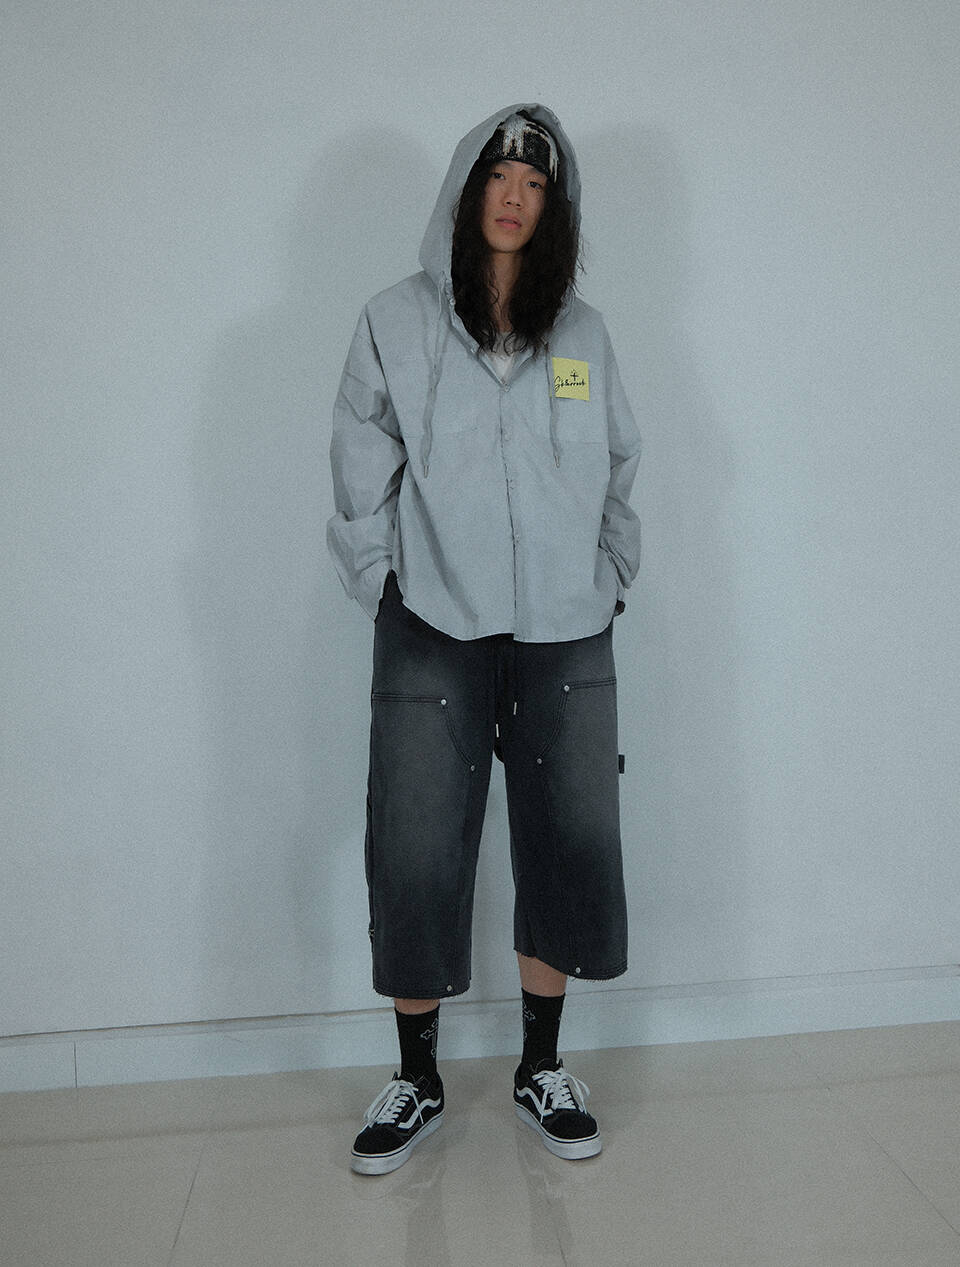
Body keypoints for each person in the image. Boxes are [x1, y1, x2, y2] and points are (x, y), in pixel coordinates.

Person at [328, 103, 642, 1176]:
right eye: (500, 176)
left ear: (555, 207)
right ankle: (416, 1077)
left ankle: (540, 1067)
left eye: (536, 183)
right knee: (415, 836)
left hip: (566, 623)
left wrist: (612, 572)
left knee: (567, 834)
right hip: (433, 618)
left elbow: (619, 460)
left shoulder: (583, 334)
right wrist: (381, 581)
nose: (515, 195)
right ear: (467, 191)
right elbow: (359, 455)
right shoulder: (395, 319)